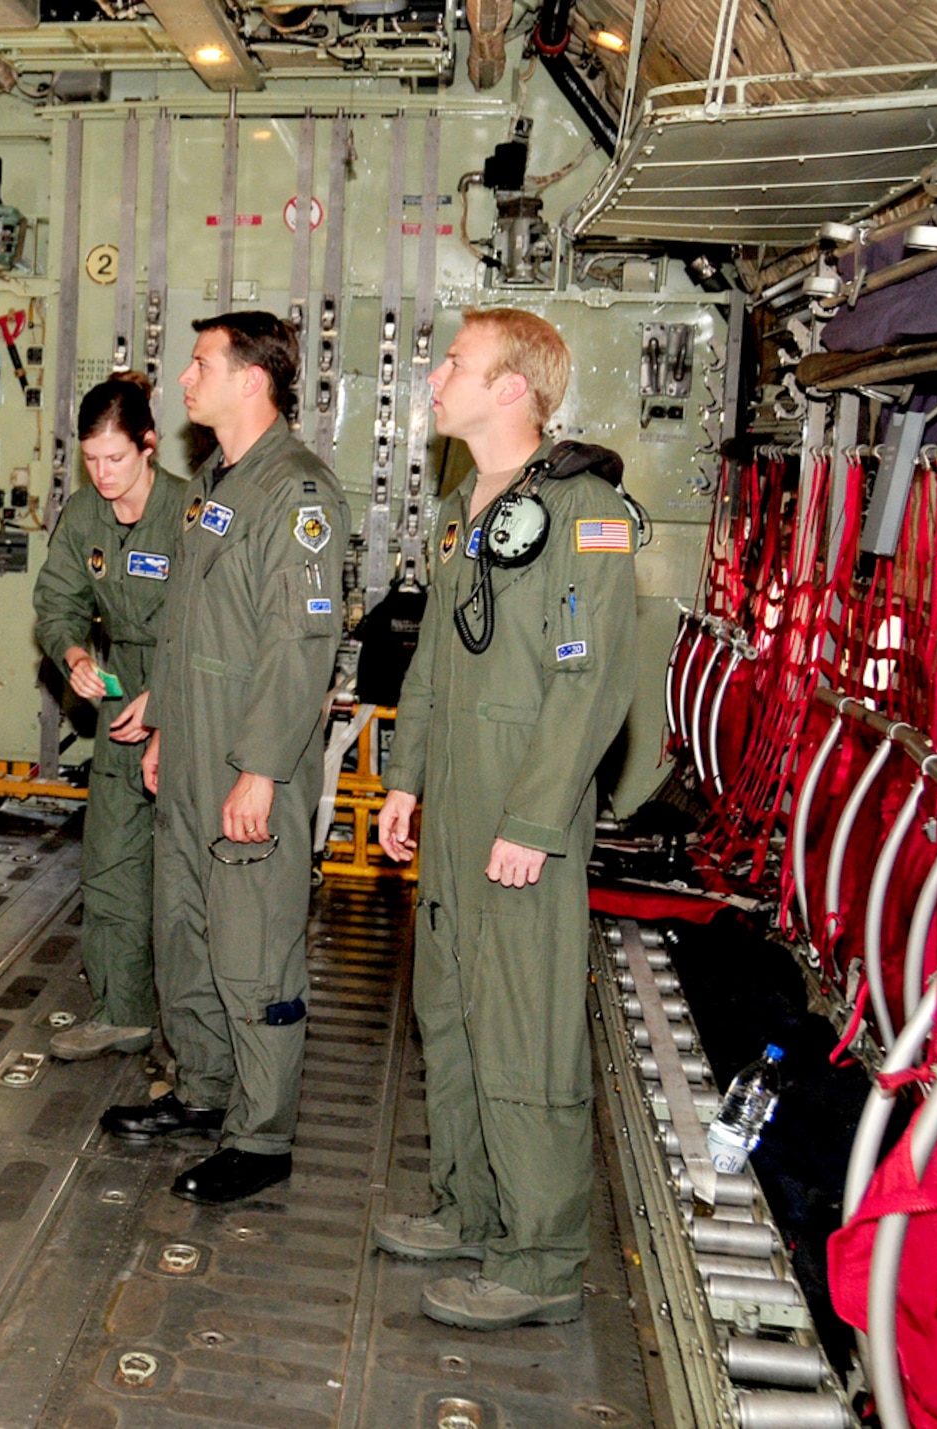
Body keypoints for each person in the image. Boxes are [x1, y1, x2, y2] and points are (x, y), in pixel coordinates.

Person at [376, 307, 637, 1331]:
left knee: (523, 1030)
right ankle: (470, 1207)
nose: (433, 376)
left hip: (524, 803)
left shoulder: (586, 509)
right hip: (454, 804)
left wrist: (531, 819)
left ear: (510, 389)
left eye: (454, 363)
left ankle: (538, 1259)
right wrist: (405, 777)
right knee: (448, 1010)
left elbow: (592, 684)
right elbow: (436, 657)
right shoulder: (466, 506)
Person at [98, 312, 348, 1206]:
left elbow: (299, 645)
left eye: (201, 363)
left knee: (254, 947)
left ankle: (263, 1133)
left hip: (250, 758)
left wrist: (261, 767)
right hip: (196, 745)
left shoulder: (298, 491)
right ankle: (203, 1088)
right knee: (189, 932)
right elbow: (192, 625)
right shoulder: (215, 482)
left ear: (253, 379)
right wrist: (164, 720)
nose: (185, 379)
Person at [32, 373, 187, 1061]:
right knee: (113, 859)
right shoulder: (86, 516)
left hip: (194, 695)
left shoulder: (192, 513)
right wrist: (72, 654)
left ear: (148, 446)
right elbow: (56, 600)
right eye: (90, 459)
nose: (101, 474)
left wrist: (171, 694)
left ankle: (192, 1035)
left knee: (185, 873)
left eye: (115, 459)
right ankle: (121, 1010)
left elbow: (221, 624)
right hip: (124, 696)